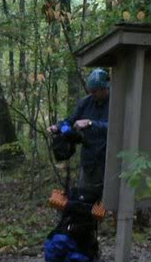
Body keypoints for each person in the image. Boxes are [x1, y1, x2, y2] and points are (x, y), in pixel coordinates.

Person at [47, 68, 110, 197]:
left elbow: (113, 127)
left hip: (109, 160)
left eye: (95, 91)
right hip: (89, 160)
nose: (92, 94)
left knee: (109, 199)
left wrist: (90, 123)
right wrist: (59, 127)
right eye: (91, 90)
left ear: (105, 88)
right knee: (85, 197)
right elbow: (70, 122)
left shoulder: (115, 103)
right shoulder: (86, 102)